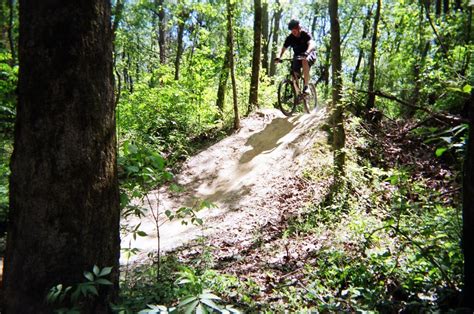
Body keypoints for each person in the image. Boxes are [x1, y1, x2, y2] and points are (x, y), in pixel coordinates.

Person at [275, 19, 316, 95]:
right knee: (294, 73)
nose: (294, 33)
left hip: (309, 53)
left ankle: (306, 86)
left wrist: (307, 52)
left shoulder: (305, 33)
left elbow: (312, 44)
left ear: (299, 28)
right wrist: (278, 57)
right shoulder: (290, 38)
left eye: (295, 31)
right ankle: (298, 94)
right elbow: (283, 48)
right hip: (297, 56)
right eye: (292, 31)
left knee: (304, 60)